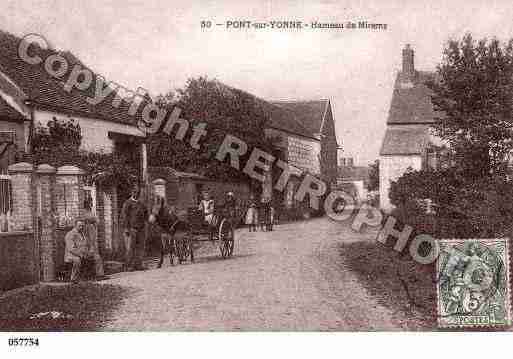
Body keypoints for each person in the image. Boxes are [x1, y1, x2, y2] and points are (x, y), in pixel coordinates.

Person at [120, 183, 148, 271]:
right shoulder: (127, 203)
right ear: (131, 193)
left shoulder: (142, 203)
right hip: (132, 229)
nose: (136, 194)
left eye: (137, 192)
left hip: (141, 229)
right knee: (130, 248)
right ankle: (129, 266)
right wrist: (126, 229)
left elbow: (146, 214)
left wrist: (147, 221)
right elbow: (124, 216)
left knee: (140, 247)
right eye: (134, 192)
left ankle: (138, 265)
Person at [82, 196, 107, 280]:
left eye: (91, 202)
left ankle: (97, 274)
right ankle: (98, 274)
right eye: (90, 203)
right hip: (87, 236)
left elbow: (97, 221)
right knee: (94, 254)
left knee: (94, 253)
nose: (91, 204)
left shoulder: (90, 212)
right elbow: (94, 220)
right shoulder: (85, 213)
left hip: (91, 235)